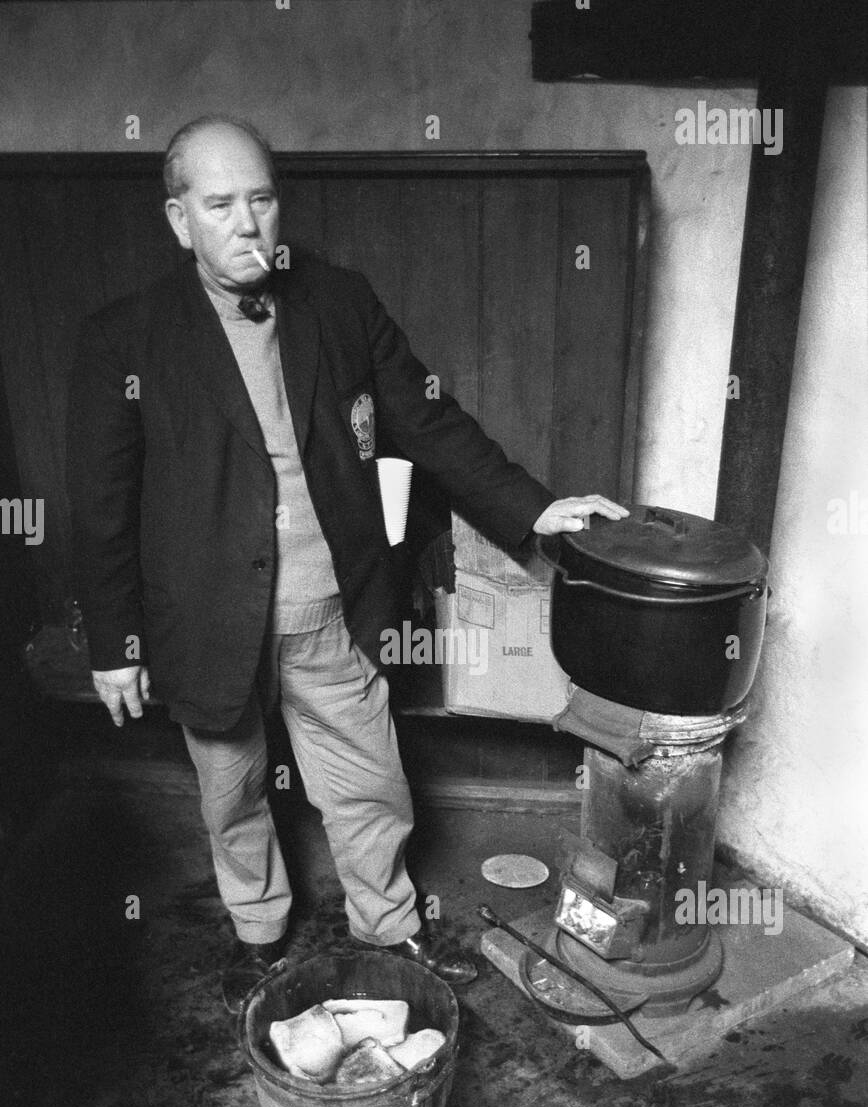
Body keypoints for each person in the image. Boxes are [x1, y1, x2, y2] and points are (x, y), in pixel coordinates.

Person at [66, 115, 628, 1012]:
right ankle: (257, 934)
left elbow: (428, 420)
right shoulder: (124, 338)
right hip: (205, 619)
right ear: (181, 221)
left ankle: (391, 929)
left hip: (335, 608)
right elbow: (99, 508)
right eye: (220, 205)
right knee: (231, 792)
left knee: (372, 786)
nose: (248, 223)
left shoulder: (338, 300)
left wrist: (535, 507)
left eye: (261, 198)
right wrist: (114, 641)